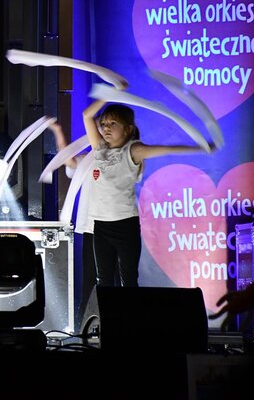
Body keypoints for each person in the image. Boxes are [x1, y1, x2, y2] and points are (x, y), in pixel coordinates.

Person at [83, 99, 213, 287]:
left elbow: (167, 150)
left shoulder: (133, 150)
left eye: (113, 123)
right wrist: (108, 94)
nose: (106, 128)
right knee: (103, 280)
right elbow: (87, 115)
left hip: (125, 224)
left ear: (127, 129)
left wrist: (200, 148)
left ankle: (132, 309)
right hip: (101, 225)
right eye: (103, 124)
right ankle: (107, 308)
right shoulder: (99, 148)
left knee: (128, 279)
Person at [49, 122, 96, 333]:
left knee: (119, 277)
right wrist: (58, 131)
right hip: (92, 226)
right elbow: (68, 159)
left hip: (118, 226)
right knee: (90, 277)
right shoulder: (89, 159)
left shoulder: (123, 155)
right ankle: (85, 324)